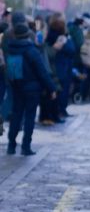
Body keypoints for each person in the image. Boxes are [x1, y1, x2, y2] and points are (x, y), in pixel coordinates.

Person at [5, 14, 58, 155]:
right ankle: (25, 147)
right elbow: (42, 73)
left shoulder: (10, 48)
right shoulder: (32, 50)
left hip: (16, 86)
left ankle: (11, 145)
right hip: (32, 89)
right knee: (29, 117)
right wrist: (52, 88)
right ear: (27, 35)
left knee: (16, 115)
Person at [45, 14, 77, 118]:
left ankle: (62, 109)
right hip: (59, 66)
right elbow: (69, 49)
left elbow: (72, 49)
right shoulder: (53, 36)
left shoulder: (64, 36)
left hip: (65, 66)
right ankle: (58, 111)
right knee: (60, 90)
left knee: (65, 90)